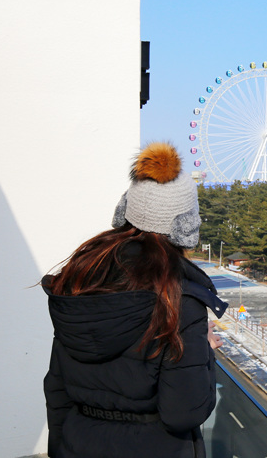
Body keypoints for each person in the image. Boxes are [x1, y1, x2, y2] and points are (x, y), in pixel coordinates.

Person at [42, 142, 227, 458]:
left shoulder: (81, 280)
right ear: (186, 226)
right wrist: (204, 352)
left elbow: (57, 389)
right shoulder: (177, 299)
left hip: (79, 442)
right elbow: (185, 412)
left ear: (125, 209)